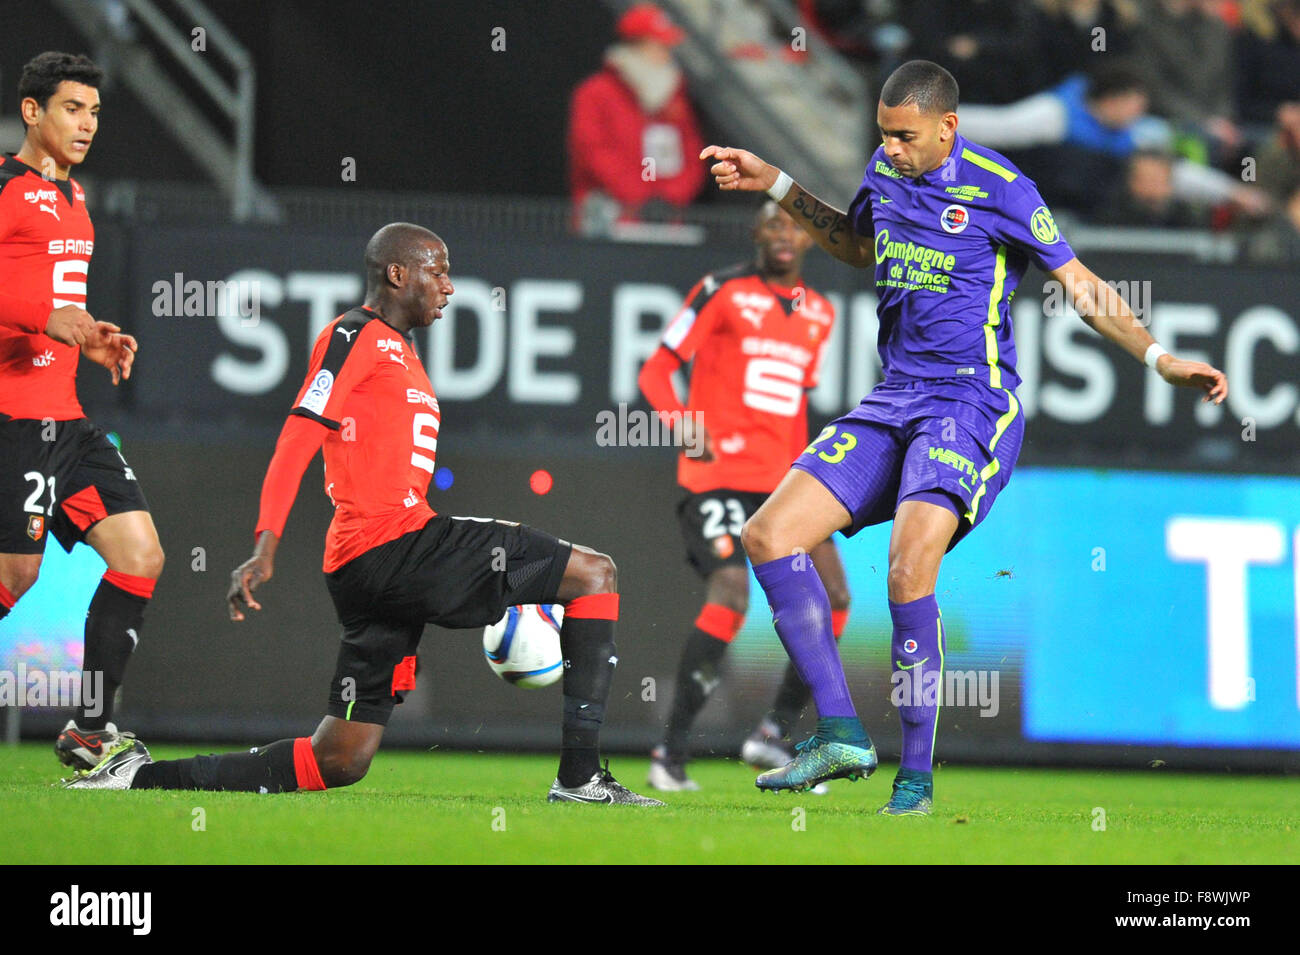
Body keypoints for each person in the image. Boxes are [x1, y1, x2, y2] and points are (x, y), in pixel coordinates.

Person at [699, 60, 1228, 814]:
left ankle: (914, 779)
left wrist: (1158, 357)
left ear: (948, 126)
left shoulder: (1002, 188)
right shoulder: (884, 172)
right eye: (883, 135)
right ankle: (841, 730)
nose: (891, 149)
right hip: (892, 400)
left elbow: (1079, 283)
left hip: (971, 402)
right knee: (768, 534)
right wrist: (777, 182)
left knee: (907, 569)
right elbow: (856, 244)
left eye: (905, 137)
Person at [67, 223, 663, 806]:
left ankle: (134, 780)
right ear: (398, 273)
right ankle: (580, 778)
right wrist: (266, 542)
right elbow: (298, 437)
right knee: (593, 574)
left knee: (340, 758)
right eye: (439, 270)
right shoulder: (355, 334)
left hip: (371, 569)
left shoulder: (400, 352)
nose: (450, 287)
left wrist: (411, 599)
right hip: (393, 545)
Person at [638, 201, 848, 792]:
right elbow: (657, 369)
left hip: (782, 485)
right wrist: (679, 422)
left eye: (795, 226)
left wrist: (811, 474)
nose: (784, 234)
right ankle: (670, 752)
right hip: (717, 475)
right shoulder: (720, 290)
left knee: (834, 597)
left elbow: (795, 406)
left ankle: (774, 733)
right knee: (731, 593)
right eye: (773, 224)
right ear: (757, 233)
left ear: (809, 240)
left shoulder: (821, 313)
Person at [0, 52, 162, 770]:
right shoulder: (5, 187)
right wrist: (46, 317)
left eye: (94, 112)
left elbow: (58, 306)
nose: (87, 124)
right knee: (15, 577)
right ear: (32, 111)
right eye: (72, 108)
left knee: (141, 556)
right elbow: (37, 306)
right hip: (13, 415)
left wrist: (91, 339)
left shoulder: (75, 199)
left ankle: (90, 729)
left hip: (65, 418)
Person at [567, 3, 705, 233]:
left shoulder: (674, 95)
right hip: (608, 221)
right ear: (636, 45)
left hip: (666, 222)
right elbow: (592, 152)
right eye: (659, 46)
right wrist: (640, 196)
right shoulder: (596, 92)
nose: (666, 54)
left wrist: (670, 197)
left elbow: (692, 152)